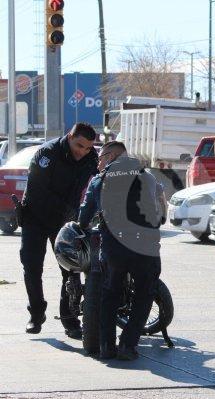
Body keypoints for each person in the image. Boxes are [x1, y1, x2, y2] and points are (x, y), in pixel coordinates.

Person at [78, 141, 165, 360]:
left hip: (114, 248)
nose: (98, 163)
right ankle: (127, 345)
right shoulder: (148, 176)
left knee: (109, 295)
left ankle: (107, 346)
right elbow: (162, 212)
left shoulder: (99, 180)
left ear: (111, 156)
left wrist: (85, 225)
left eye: (100, 158)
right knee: (145, 294)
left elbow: (84, 219)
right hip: (145, 247)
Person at [20, 123, 98, 337]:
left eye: (87, 148)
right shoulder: (47, 153)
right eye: (79, 145)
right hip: (35, 217)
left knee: (71, 270)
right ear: (70, 136)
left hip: (66, 222)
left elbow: (101, 181)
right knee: (32, 267)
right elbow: (36, 192)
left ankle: (69, 319)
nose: (82, 152)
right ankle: (36, 314)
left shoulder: (91, 157)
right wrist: (70, 211)